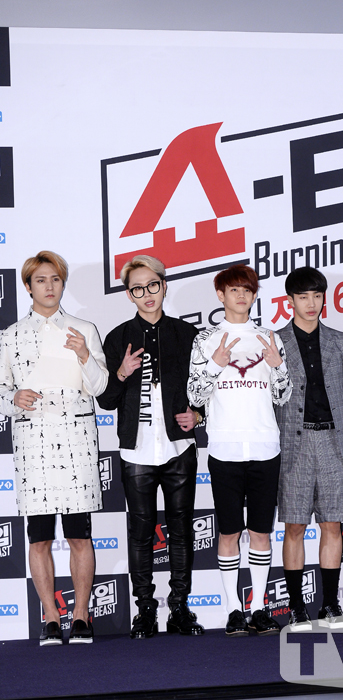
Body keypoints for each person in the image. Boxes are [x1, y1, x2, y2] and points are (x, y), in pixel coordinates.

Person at [0, 251, 108, 646]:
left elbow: (100, 387)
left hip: (77, 442)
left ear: (63, 284)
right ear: (28, 287)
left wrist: (84, 355)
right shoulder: (10, 336)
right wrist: (14, 398)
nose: (49, 286)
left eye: (56, 279)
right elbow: (0, 392)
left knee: (80, 535)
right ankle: (49, 616)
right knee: (39, 537)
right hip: (34, 445)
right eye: (41, 280)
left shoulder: (84, 329)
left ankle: (80, 616)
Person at [97, 255, 204, 638]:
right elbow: (106, 400)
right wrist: (121, 373)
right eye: (138, 289)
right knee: (140, 534)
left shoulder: (188, 335)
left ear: (164, 285)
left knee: (181, 530)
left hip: (178, 448)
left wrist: (199, 415)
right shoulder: (117, 337)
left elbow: (206, 389)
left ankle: (180, 608)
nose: (147, 294)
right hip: (136, 451)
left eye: (152, 285)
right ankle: (144, 611)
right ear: (129, 294)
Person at [188, 264, 292, 637]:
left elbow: (283, 395)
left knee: (261, 532)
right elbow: (194, 395)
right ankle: (233, 609)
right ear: (221, 295)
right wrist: (214, 366)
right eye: (234, 290)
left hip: (265, 446)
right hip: (225, 448)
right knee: (229, 531)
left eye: (247, 289)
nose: (241, 295)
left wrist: (278, 368)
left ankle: (259, 608)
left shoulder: (269, 337)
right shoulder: (205, 339)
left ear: (254, 294)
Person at [275, 266, 343, 631]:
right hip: (294, 443)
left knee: (332, 526)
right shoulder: (274, 342)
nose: (311, 303)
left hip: (334, 441)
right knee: (294, 527)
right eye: (303, 296)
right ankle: (296, 607)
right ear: (290, 301)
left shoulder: (340, 341)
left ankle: (330, 605)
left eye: (317, 296)